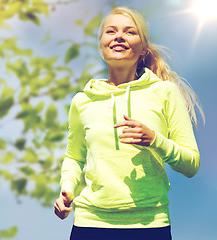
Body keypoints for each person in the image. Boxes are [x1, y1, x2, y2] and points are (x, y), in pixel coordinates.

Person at [54, 6, 204, 240]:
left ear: (143, 49)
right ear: (101, 45)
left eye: (129, 32)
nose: (119, 36)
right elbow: (74, 157)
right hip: (90, 224)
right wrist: (67, 189)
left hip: (150, 225)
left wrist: (155, 140)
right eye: (111, 31)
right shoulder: (83, 101)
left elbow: (191, 164)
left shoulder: (164, 93)